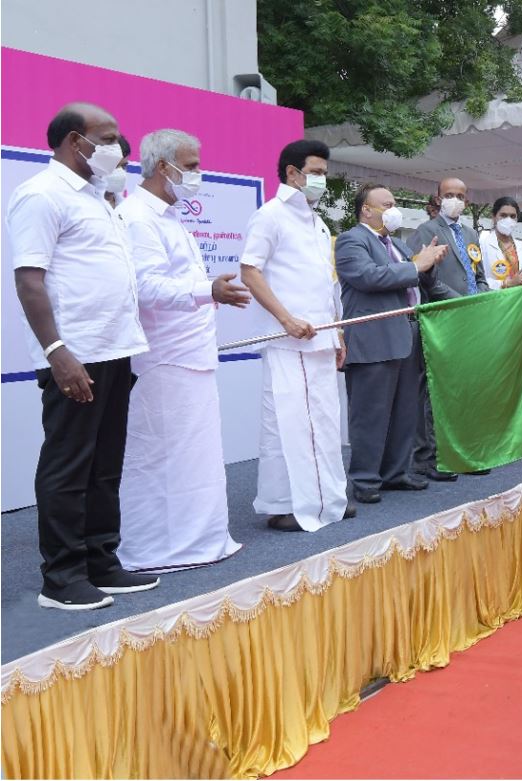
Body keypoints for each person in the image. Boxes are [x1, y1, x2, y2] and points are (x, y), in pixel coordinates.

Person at [7, 102, 158, 610]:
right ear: (76, 141)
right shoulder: (41, 195)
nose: (118, 148)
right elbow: (29, 279)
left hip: (116, 349)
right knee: (68, 466)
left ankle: (100, 560)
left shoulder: (98, 197)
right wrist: (56, 352)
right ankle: (62, 577)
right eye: (109, 138)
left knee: (105, 465)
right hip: (75, 354)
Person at [114, 129, 249, 572]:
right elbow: (146, 288)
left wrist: (205, 292)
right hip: (162, 359)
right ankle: (156, 548)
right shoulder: (137, 217)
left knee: (196, 458)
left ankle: (200, 540)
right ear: (161, 168)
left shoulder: (170, 218)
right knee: (159, 457)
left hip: (191, 355)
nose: (198, 175)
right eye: (190, 166)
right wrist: (206, 290)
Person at [239, 139, 351, 532]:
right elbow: (249, 270)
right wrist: (286, 319)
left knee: (324, 422)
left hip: (322, 339)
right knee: (285, 423)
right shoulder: (270, 215)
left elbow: (327, 284)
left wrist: (338, 334)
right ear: (292, 172)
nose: (321, 180)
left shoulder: (318, 221)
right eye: (316, 172)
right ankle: (283, 503)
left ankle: (326, 498)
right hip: (288, 340)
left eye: (323, 172)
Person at [334, 184, 451, 504]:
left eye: (395, 203)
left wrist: (430, 262)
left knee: (404, 411)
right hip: (373, 337)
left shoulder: (396, 245)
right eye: (386, 204)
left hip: (405, 334)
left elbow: (417, 280)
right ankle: (365, 478)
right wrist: (417, 265)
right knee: (370, 413)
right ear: (366, 210)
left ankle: (396, 472)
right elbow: (369, 277)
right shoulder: (351, 240)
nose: (393, 209)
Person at [407, 177, 490, 481]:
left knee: (466, 390)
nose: (455, 199)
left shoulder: (470, 233)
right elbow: (421, 277)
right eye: (449, 195)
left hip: (470, 321)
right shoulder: (425, 232)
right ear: (438, 198)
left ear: (467, 200)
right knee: (435, 392)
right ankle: (429, 458)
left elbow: (478, 274)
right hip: (441, 320)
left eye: (460, 195)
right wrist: (459, 302)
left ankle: (465, 454)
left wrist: (479, 297)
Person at [478, 196, 522, 289]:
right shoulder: (482, 243)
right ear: (494, 217)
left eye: (512, 216)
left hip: (521, 299)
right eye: (503, 215)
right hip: (496, 300)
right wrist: (507, 283)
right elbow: (477, 279)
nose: (508, 220)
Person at [103, 134, 130, 209]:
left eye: (123, 166)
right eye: (114, 166)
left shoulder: (126, 207)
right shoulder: (84, 202)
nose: (120, 171)